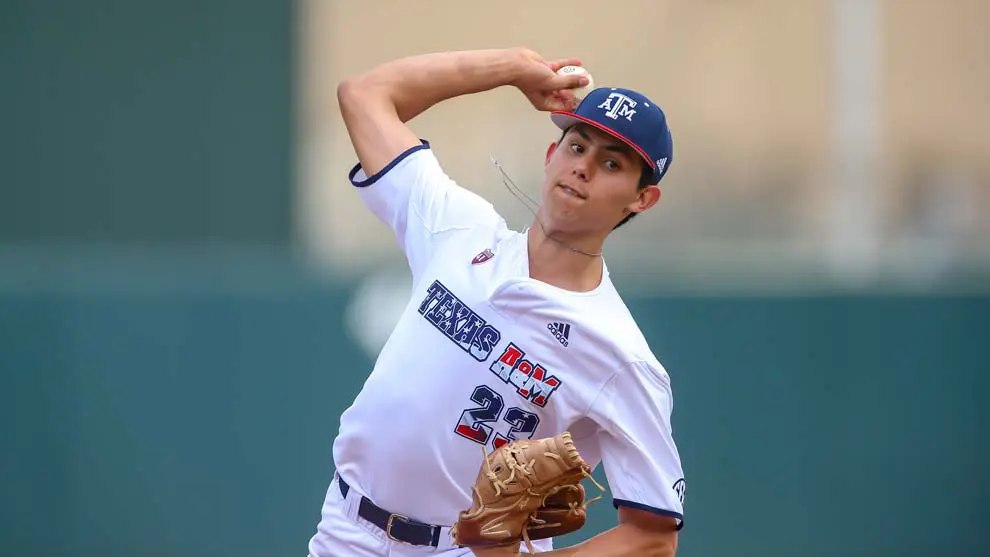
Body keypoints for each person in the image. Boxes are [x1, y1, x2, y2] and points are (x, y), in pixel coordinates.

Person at [307, 47, 686, 557]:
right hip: (347, 531)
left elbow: (654, 536)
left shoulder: (620, 354)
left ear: (641, 198)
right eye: (577, 147)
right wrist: (511, 69)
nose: (583, 168)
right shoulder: (459, 228)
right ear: (551, 156)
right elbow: (366, 96)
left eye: (611, 163)